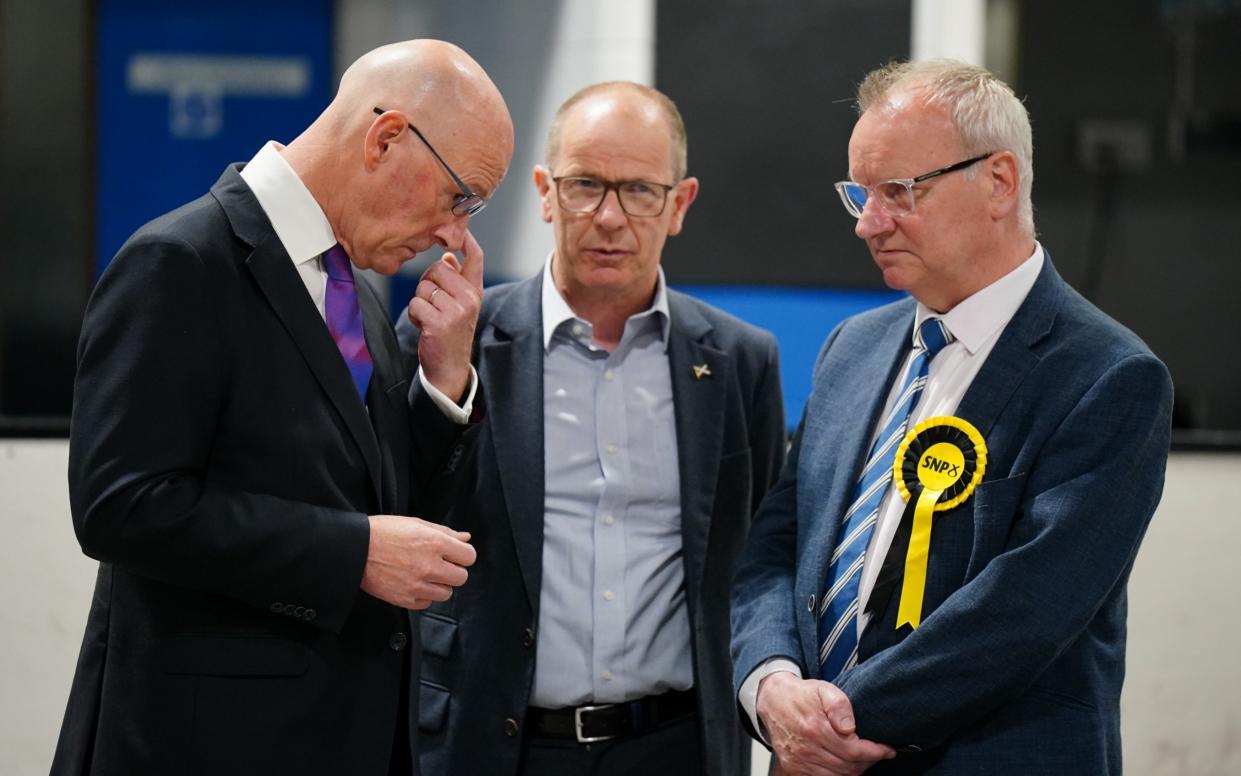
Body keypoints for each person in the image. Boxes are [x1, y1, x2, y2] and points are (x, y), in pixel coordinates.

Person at [51, 40, 513, 776]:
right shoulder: (179, 260)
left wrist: (444, 381)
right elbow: (120, 506)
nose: (455, 235)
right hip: (207, 744)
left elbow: (384, 504)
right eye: (460, 197)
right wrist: (351, 551)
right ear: (386, 137)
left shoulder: (355, 289)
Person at [730, 59, 1174, 775]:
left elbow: (1020, 613)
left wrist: (825, 731)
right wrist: (771, 687)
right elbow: (777, 548)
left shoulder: (1107, 376)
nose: (868, 223)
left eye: (898, 192)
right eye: (859, 195)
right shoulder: (852, 348)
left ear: (998, 182)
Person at [395, 81, 786, 775]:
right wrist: (445, 380)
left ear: (679, 204)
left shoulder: (737, 361)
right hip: (492, 744)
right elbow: (401, 508)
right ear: (545, 193)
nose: (610, 217)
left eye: (639, 190)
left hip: (674, 747)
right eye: (584, 186)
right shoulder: (459, 334)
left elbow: (759, 557)